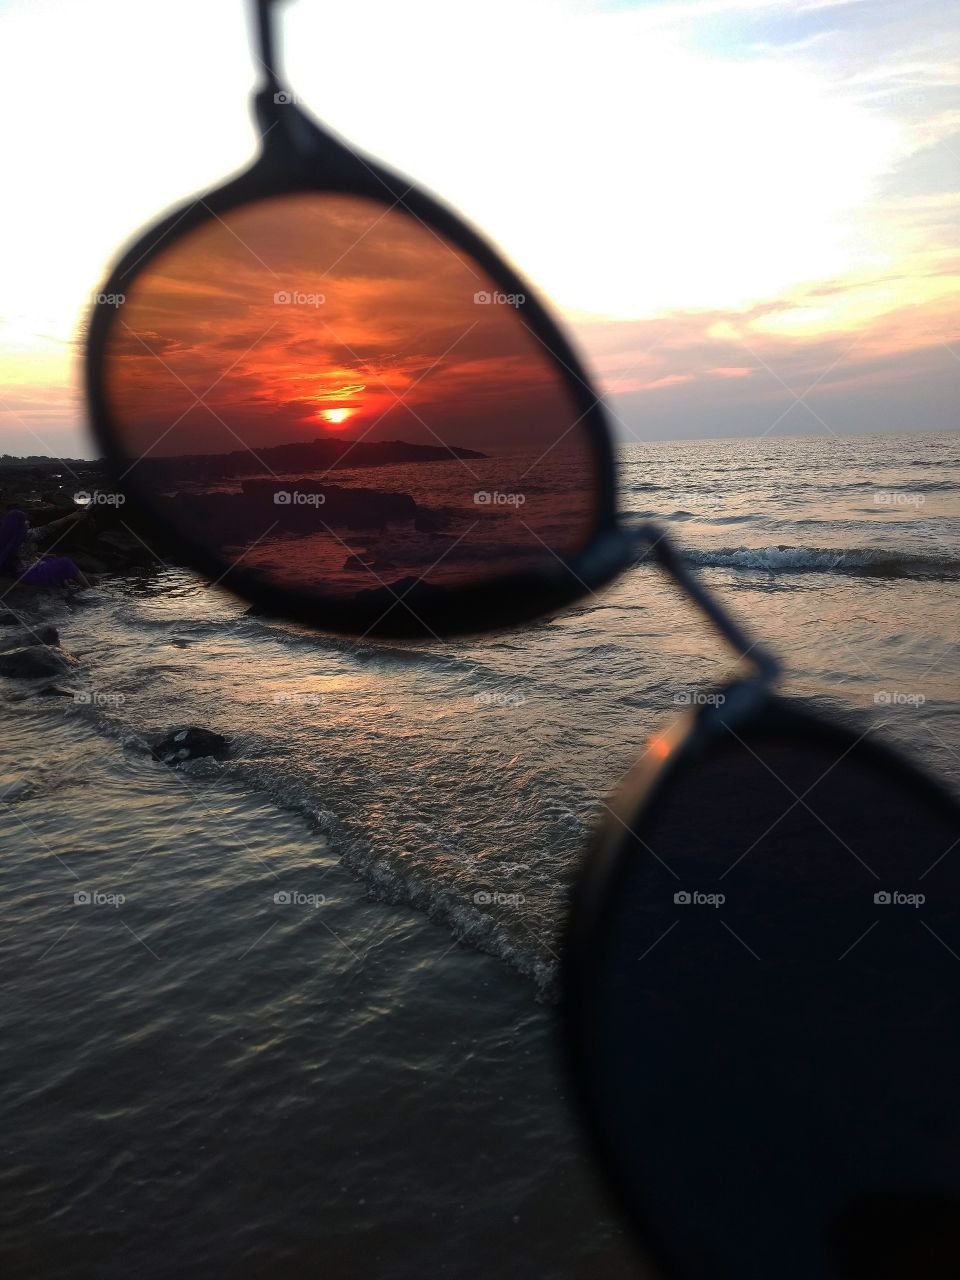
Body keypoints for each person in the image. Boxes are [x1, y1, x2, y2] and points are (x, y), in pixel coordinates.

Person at [0, 508, 91, 588]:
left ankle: (67, 587)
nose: (28, 521)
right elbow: (47, 528)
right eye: (25, 520)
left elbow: (20, 553)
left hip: (21, 573)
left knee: (51, 559)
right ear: (18, 523)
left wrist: (41, 554)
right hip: (30, 574)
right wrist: (70, 517)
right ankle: (88, 589)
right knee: (66, 563)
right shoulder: (25, 535)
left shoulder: (8, 536)